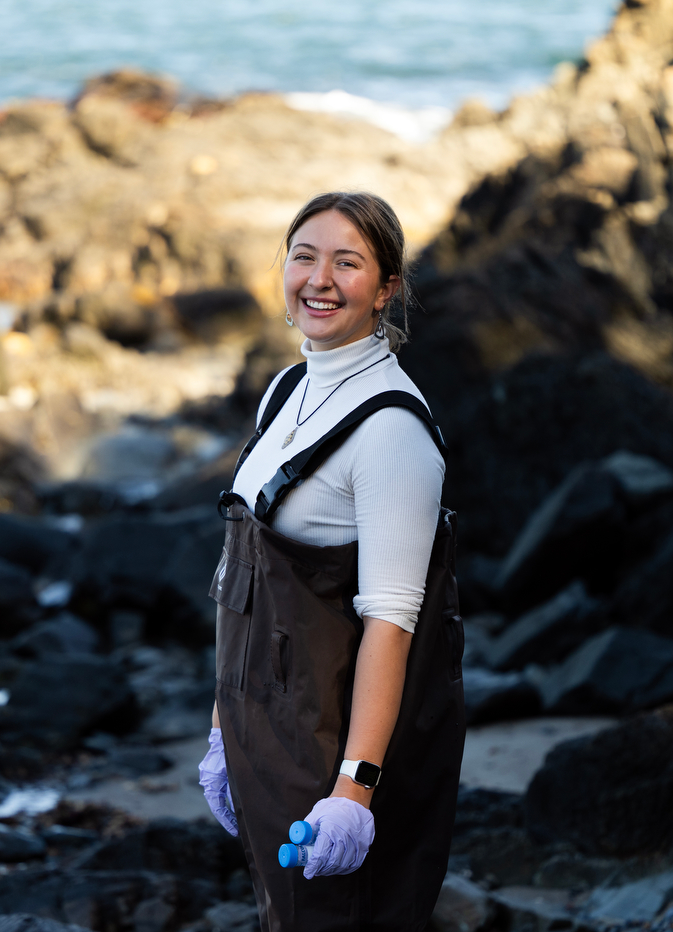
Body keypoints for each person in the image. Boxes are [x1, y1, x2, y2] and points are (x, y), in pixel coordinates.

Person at [198, 192, 465, 931]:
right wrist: (224, 733)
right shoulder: (286, 391)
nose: (319, 279)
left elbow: (392, 623)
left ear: (385, 290)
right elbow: (239, 585)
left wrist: (355, 791)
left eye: (347, 263)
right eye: (304, 256)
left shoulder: (392, 433)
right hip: (267, 740)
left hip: (333, 752)